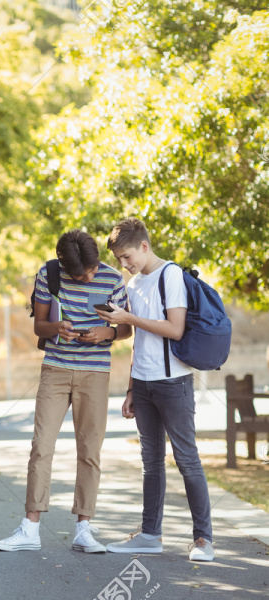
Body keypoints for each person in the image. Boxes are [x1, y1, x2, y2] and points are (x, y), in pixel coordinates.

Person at [0, 229, 131, 554]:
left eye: (93, 269)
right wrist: (57, 328)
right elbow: (39, 325)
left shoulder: (112, 277)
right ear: (65, 267)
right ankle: (30, 528)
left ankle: (84, 529)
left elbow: (126, 328)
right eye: (82, 274)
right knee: (41, 446)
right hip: (55, 368)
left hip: (95, 372)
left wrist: (106, 332)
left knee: (90, 451)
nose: (90, 276)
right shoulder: (48, 274)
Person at [101, 217, 214, 562]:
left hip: (174, 383)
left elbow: (175, 329)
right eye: (119, 259)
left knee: (187, 460)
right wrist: (131, 388)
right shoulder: (133, 285)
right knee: (151, 462)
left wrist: (128, 319)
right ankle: (150, 535)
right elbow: (139, 341)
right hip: (145, 385)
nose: (124, 264)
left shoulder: (171, 275)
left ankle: (203, 540)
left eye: (127, 256)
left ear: (144, 246)